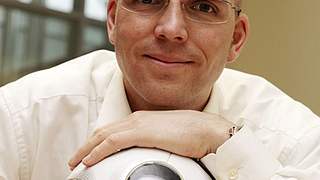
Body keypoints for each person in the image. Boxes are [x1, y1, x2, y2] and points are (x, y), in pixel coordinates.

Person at [0, 0, 319, 179]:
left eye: (204, 7)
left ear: (236, 38)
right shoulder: (20, 118)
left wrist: (224, 140)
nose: (171, 30)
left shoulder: (298, 141)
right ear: (112, 18)